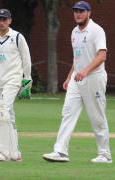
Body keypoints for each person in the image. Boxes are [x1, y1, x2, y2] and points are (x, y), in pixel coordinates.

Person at [43, 1, 112, 163]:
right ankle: (60, 151)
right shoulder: (74, 31)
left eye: (81, 11)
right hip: (77, 78)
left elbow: (102, 56)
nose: (78, 14)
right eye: (75, 11)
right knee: (67, 112)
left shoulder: (96, 30)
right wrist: (69, 77)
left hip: (94, 78)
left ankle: (105, 154)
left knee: (97, 117)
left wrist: (85, 71)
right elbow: (77, 58)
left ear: (89, 13)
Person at [0, 9, 32, 161]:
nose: (2, 22)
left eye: (4, 19)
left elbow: (26, 59)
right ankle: (15, 153)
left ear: (10, 20)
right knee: (9, 117)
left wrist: (27, 81)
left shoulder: (17, 37)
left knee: (1, 111)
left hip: (14, 80)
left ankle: (2, 152)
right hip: (0, 83)